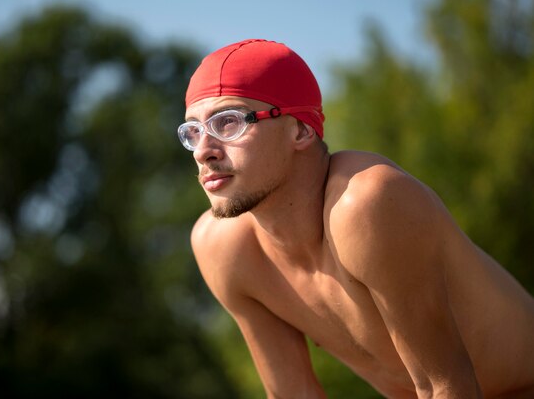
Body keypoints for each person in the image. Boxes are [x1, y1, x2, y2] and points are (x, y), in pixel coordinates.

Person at [178, 39, 534, 399]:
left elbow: (446, 386)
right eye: (193, 131)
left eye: (229, 123)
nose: (204, 151)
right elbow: (294, 393)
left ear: (300, 130)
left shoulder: (366, 203)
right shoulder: (223, 247)